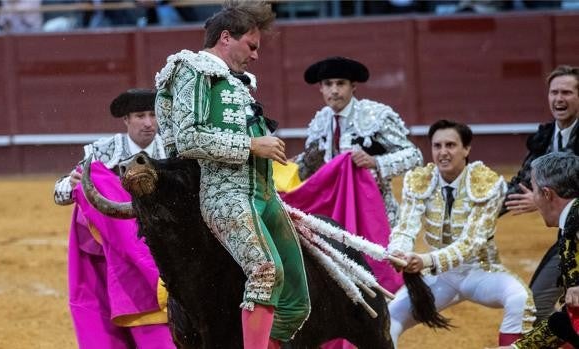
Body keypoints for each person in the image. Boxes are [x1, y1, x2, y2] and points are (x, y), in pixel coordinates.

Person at [154, 1, 310, 347]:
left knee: (297, 301)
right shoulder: (191, 69)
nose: (255, 56)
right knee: (265, 273)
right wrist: (253, 145)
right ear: (226, 37)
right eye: (251, 46)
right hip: (226, 194)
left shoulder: (236, 82)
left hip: (265, 194)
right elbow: (187, 137)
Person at [387, 119, 535, 347]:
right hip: (439, 278)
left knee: (519, 299)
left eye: (450, 145)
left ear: (466, 149)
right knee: (387, 321)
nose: (443, 153)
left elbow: (471, 242)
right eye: (437, 146)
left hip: (480, 272)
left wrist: (426, 260)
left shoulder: (487, 184)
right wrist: (399, 251)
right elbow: (405, 227)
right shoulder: (419, 181)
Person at [54, 88, 175, 348]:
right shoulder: (102, 152)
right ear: (126, 120)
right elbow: (60, 194)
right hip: (115, 251)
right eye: (140, 115)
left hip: (164, 245)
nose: (148, 123)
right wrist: (73, 184)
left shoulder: (172, 150)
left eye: (153, 115)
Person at [295, 56, 422, 227]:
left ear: (353, 86)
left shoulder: (375, 116)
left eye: (340, 83)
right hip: (337, 212)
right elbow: (310, 167)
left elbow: (414, 156)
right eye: (328, 84)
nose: (334, 90)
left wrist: (376, 162)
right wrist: (285, 168)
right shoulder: (321, 122)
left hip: (376, 209)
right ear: (321, 88)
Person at [503, 65, 579, 323]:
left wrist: (542, 199)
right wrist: (481, 208)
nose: (559, 99)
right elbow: (522, 183)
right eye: (554, 92)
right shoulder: (545, 137)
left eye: (567, 92)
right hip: (571, 238)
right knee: (538, 305)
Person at [491, 152, 579, 349]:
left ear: (547, 194)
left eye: (535, 190)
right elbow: (567, 322)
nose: (533, 199)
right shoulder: (569, 224)